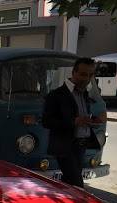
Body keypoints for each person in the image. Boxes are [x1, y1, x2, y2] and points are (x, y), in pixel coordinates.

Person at [42, 57, 105, 188]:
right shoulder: (56, 95)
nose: (86, 79)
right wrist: (73, 122)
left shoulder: (85, 94)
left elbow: (82, 115)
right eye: (83, 74)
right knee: (77, 184)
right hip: (65, 146)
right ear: (73, 72)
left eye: (90, 75)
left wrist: (93, 120)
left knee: (69, 184)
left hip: (81, 145)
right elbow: (46, 121)